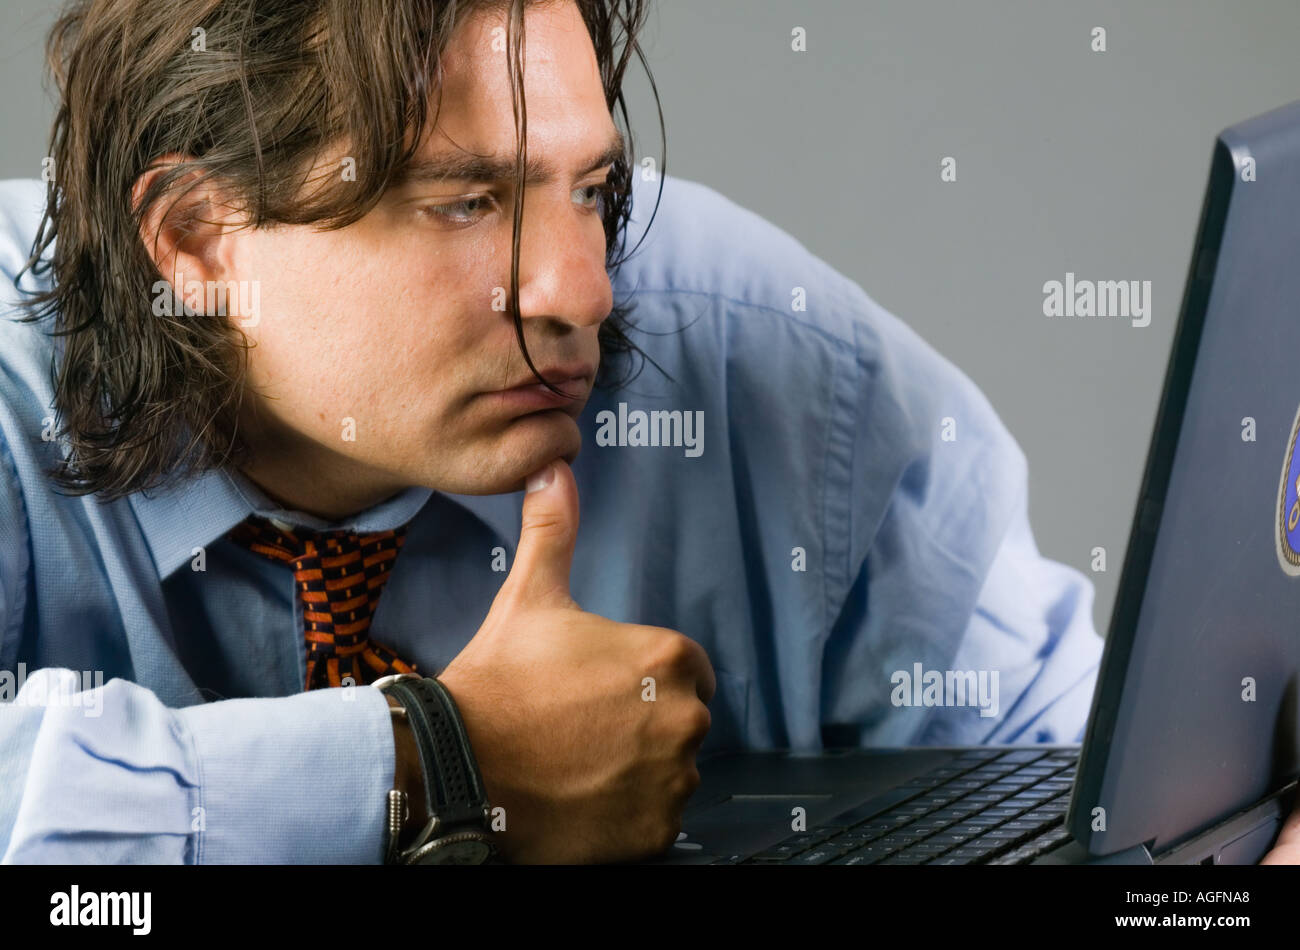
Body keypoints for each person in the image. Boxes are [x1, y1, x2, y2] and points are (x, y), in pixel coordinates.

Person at [0, 0, 1291, 864]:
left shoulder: (761, 346)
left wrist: (1227, 844)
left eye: (593, 190)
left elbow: (1078, 779)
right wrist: (432, 759)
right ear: (199, 239)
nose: (580, 292)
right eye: (463, 202)